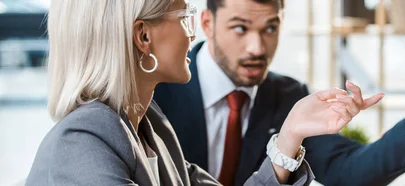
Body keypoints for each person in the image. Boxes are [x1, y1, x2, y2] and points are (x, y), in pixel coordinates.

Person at [152, 0, 405, 185]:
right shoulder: (158, 91)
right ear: (206, 23)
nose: (256, 48)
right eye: (240, 28)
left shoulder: (287, 95)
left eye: (270, 28)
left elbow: (350, 173)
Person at [25, 0, 381, 185]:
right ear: (143, 37)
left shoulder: (152, 129)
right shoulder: (82, 142)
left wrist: (290, 133)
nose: (192, 34)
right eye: (184, 18)